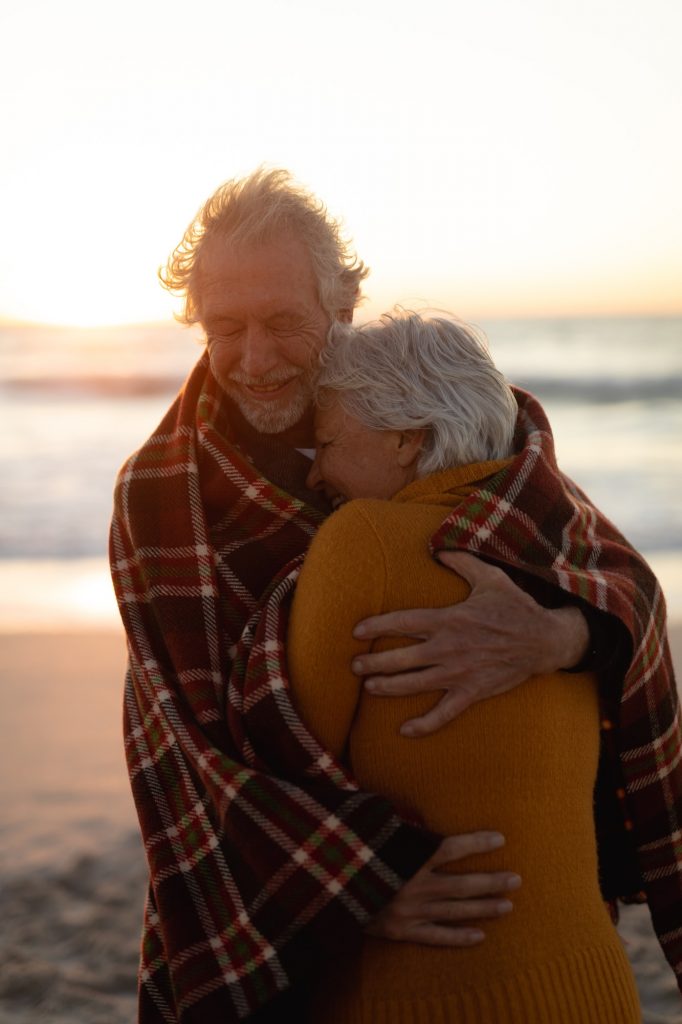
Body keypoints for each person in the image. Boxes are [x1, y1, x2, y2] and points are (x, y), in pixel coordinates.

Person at [109, 168, 680, 1022]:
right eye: (225, 328)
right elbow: (185, 747)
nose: (255, 360)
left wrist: (559, 636)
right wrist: (351, 889)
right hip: (276, 886)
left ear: (341, 309)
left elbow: (617, 577)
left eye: (283, 323)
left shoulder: (449, 412)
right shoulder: (160, 491)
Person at [287, 311, 642, 1021]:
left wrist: (353, 890)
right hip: (596, 986)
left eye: (326, 441)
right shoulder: (575, 554)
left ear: (406, 438)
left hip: (441, 996)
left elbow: (288, 765)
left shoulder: (365, 541)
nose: (317, 472)